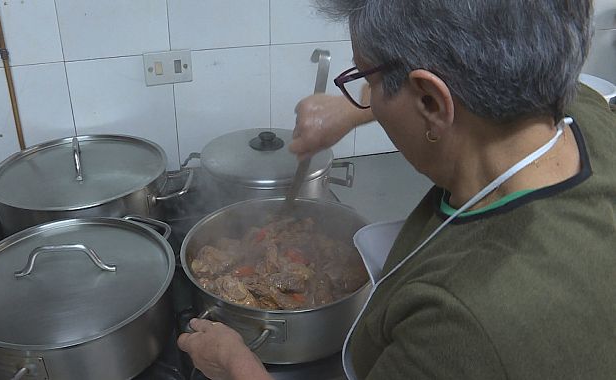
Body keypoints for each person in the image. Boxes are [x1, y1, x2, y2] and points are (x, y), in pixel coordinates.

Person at [177, 0, 616, 379]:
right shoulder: (582, 117)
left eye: (365, 77)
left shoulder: (459, 326)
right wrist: (352, 114)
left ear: (430, 102)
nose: (364, 95)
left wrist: (235, 362)